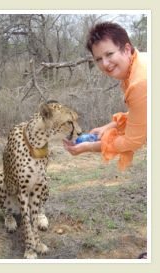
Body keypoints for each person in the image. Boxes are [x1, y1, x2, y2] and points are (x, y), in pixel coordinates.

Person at [63, 21, 147, 171]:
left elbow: (133, 142)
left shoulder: (139, 82)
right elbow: (143, 113)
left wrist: (89, 146)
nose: (105, 64)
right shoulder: (140, 63)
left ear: (126, 49)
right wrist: (109, 127)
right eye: (98, 59)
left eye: (109, 54)